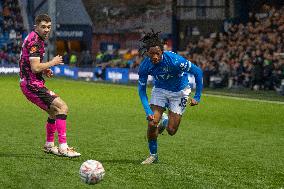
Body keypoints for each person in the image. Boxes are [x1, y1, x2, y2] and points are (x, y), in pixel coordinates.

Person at [19, 14, 80, 157]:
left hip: (31, 83)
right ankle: (63, 148)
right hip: (32, 85)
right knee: (62, 107)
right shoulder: (35, 42)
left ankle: (49, 145)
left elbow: (28, 62)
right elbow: (35, 68)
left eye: (49, 27)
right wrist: (52, 62)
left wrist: (44, 69)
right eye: (43, 27)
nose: (46, 30)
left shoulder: (34, 38)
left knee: (54, 111)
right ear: (36, 26)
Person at [138, 30, 203, 164]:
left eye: (157, 53)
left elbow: (197, 72)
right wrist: (148, 111)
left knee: (171, 131)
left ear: (162, 52)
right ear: (148, 53)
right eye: (152, 54)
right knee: (152, 122)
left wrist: (197, 96)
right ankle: (153, 155)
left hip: (179, 92)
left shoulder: (175, 61)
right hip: (160, 90)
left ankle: (165, 120)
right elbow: (141, 91)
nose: (155, 56)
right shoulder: (145, 66)